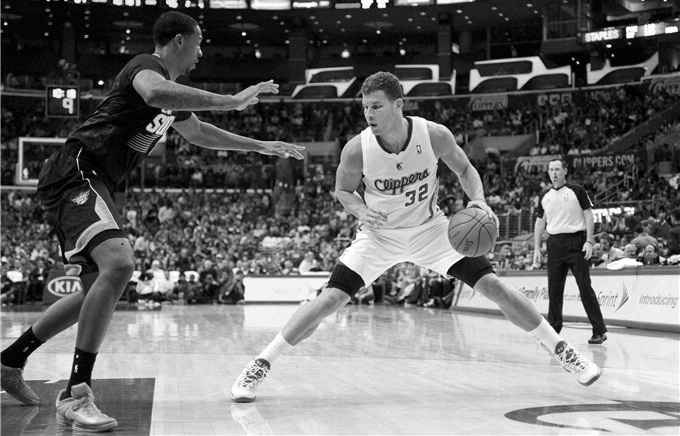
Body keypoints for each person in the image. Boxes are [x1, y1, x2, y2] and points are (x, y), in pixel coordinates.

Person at [0, 11, 304, 432]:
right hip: (78, 171)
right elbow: (155, 90)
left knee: (95, 287)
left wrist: (261, 146)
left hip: (96, 179)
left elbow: (199, 133)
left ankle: (10, 360)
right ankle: (75, 394)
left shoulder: (171, 99)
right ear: (179, 41)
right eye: (198, 43)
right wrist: (233, 100)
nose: (201, 53)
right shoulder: (146, 67)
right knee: (119, 264)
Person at [230, 72, 601, 404]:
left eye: (376, 106)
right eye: (365, 107)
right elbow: (343, 191)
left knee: (493, 286)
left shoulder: (433, 135)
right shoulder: (357, 148)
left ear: (399, 104)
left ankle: (563, 350)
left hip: (431, 231)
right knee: (330, 299)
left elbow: (466, 169)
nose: (369, 114)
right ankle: (261, 364)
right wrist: (361, 211)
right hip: (379, 236)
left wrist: (479, 200)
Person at [533, 159, 607, 346]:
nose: (554, 172)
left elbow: (588, 214)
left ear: (565, 171)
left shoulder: (577, 190)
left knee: (585, 288)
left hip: (576, 242)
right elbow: (540, 222)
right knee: (554, 290)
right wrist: (536, 248)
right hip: (554, 244)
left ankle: (599, 330)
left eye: (557, 169)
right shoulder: (545, 195)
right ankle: (553, 332)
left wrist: (589, 240)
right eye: (551, 169)